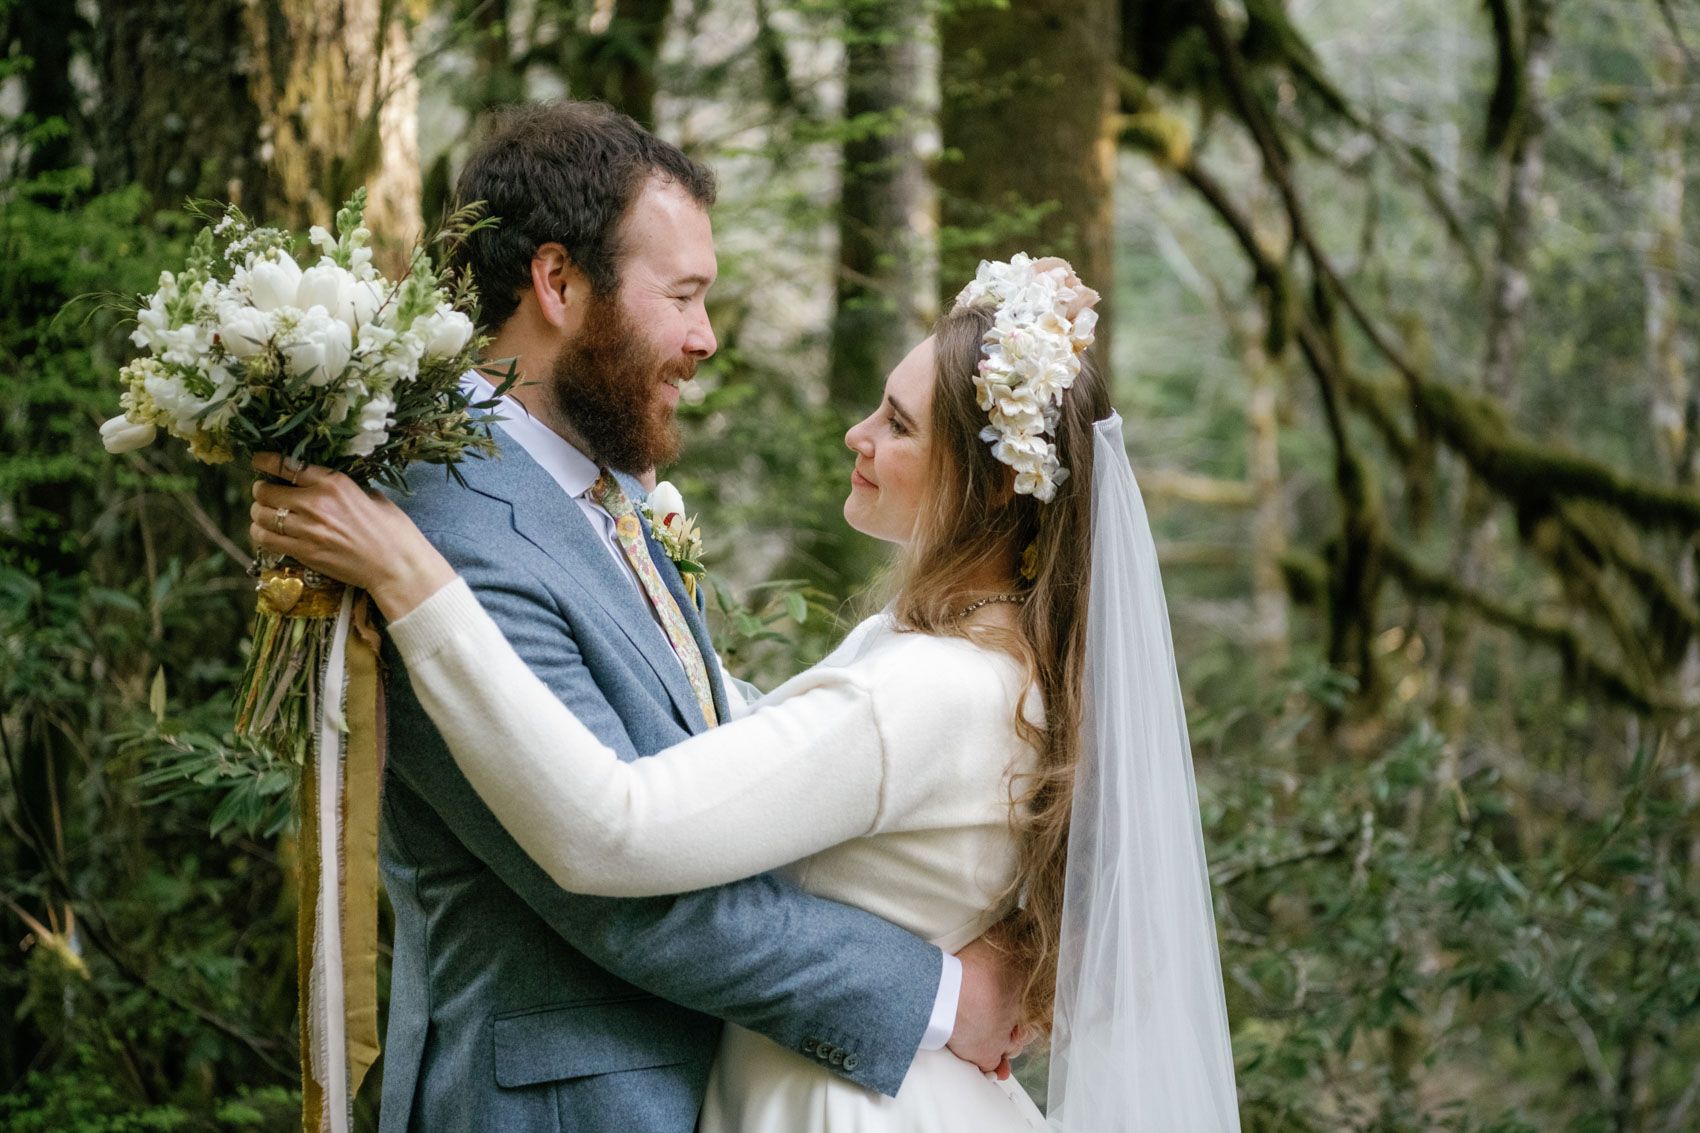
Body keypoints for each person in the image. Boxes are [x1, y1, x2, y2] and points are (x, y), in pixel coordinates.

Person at [252, 252, 1244, 1129]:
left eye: (896, 423)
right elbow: (763, 741)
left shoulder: (924, 693)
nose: (857, 433)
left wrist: (415, 582)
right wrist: (642, 578)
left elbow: (617, 826)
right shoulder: (980, 662)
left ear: (989, 489)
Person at [277, 101, 1023, 1133]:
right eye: (681, 295)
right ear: (557, 282)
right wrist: (938, 994)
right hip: (564, 1101)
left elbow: (715, 763)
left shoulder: (599, 487)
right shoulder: (447, 535)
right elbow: (617, 885)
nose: (705, 337)